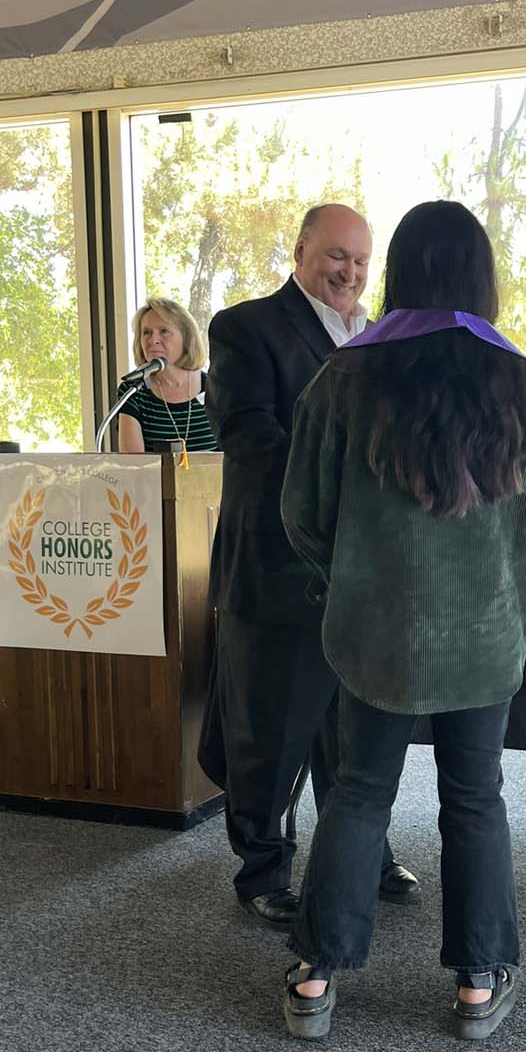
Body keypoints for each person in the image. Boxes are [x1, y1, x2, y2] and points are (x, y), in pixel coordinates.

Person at [278, 200, 526, 1042]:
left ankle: (316, 978)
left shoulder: (345, 378)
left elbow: (303, 512)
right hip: (484, 634)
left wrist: (354, 578)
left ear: (398, 271)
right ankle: (477, 984)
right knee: (475, 796)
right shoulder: (523, 382)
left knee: (360, 793)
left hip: (376, 634)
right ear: (482, 277)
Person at [199, 204, 418, 925]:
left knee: (350, 726)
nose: (350, 273)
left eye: (360, 261)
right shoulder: (245, 327)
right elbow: (247, 435)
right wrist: (347, 474)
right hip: (276, 571)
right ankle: (262, 871)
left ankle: (361, 852)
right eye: (336, 257)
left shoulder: (379, 338)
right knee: (270, 730)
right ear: (300, 252)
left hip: (359, 574)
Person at [118, 300, 218, 454]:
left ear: (187, 338)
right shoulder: (133, 391)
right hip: (153, 479)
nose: (153, 340)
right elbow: (134, 467)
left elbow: (237, 456)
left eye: (164, 331)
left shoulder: (217, 387)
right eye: (147, 332)